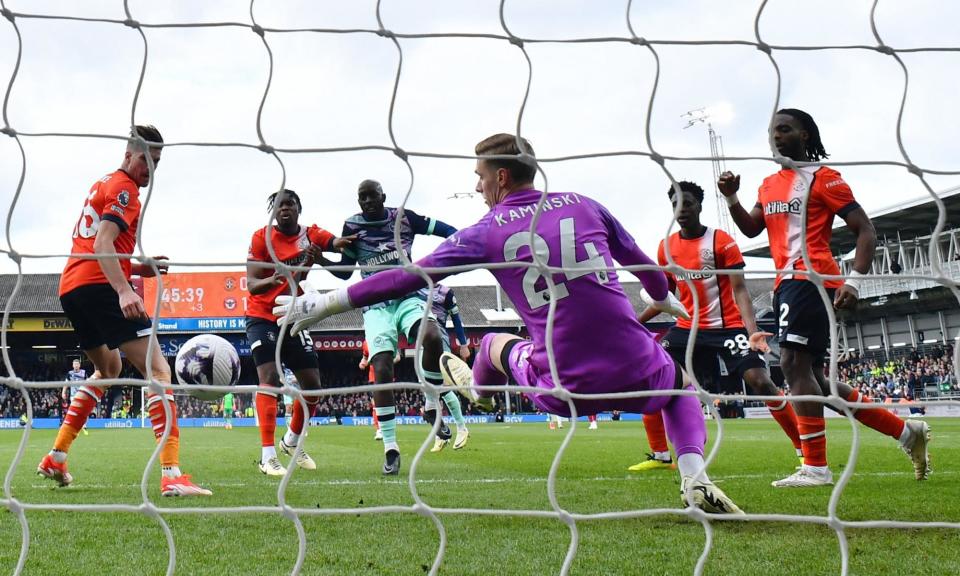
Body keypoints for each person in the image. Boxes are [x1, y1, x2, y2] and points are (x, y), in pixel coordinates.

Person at [275, 134, 744, 514]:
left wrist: (326, 303)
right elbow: (645, 269)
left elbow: (406, 276)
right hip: (636, 369)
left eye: (479, 177)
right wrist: (665, 299)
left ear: (501, 176)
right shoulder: (584, 204)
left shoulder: (486, 231)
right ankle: (694, 478)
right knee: (682, 386)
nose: (477, 188)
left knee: (493, 344)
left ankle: (479, 390)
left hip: (562, 386)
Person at [718, 108, 930, 486]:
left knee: (792, 365)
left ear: (806, 136)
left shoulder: (825, 179)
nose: (775, 137)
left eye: (784, 130)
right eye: (772, 131)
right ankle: (905, 432)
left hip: (813, 279)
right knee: (816, 377)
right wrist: (732, 199)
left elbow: (865, 230)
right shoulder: (768, 184)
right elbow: (752, 230)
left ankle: (816, 467)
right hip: (787, 283)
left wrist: (854, 282)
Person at [38, 125, 211, 496]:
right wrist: (123, 288)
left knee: (109, 368)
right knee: (158, 369)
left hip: (72, 287)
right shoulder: (125, 189)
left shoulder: (102, 183)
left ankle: (56, 455)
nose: (151, 167)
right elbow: (103, 243)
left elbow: (95, 247)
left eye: (158, 161)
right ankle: (171, 473)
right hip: (100, 285)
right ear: (129, 154)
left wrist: (136, 268)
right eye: (146, 158)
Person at [629, 181, 802, 473]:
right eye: (675, 205)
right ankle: (660, 455)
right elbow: (663, 297)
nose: (680, 210)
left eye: (687, 204)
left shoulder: (721, 241)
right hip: (687, 328)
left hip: (728, 328)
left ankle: (804, 449)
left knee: (761, 382)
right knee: (651, 378)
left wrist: (751, 331)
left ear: (699, 206)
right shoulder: (666, 247)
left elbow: (740, 290)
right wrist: (632, 323)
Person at [323, 179, 458, 475]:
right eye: (362, 198)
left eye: (372, 196)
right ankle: (390, 447)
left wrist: (464, 241)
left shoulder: (403, 218)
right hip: (376, 304)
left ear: (383, 197)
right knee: (382, 366)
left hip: (410, 296)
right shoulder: (352, 226)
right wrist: (321, 260)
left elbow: (443, 229)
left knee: (433, 337)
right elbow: (346, 274)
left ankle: (431, 403)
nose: (367, 202)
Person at [245, 189, 353, 476]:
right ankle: (267, 457)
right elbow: (252, 285)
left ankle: (291, 441)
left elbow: (337, 248)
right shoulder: (261, 239)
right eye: (278, 206)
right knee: (268, 378)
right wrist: (281, 273)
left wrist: (340, 245)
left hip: (293, 317)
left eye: (289, 204)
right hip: (262, 316)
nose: (284, 209)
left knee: (313, 385)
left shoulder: (311, 234)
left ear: (298, 209)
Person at [420, 284, 471, 451]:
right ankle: (440, 434)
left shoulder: (445, 293)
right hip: (422, 343)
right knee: (429, 389)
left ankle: (461, 428)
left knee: (443, 389)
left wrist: (463, 344)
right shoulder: (416, 290)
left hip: (440, 340)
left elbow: (456, 319)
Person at [60, 359, 90, 435]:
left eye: (77, 364)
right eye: (74, 364)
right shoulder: (70, 373)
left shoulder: (84, 373)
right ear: (73, 365)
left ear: (79, 365)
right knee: (74, 412)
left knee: (84, 411)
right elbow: (66, 383)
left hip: (83, 395)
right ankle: (74, 428)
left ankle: (84, 426)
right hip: (73, 396)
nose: (76, 365)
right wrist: (63, 392)